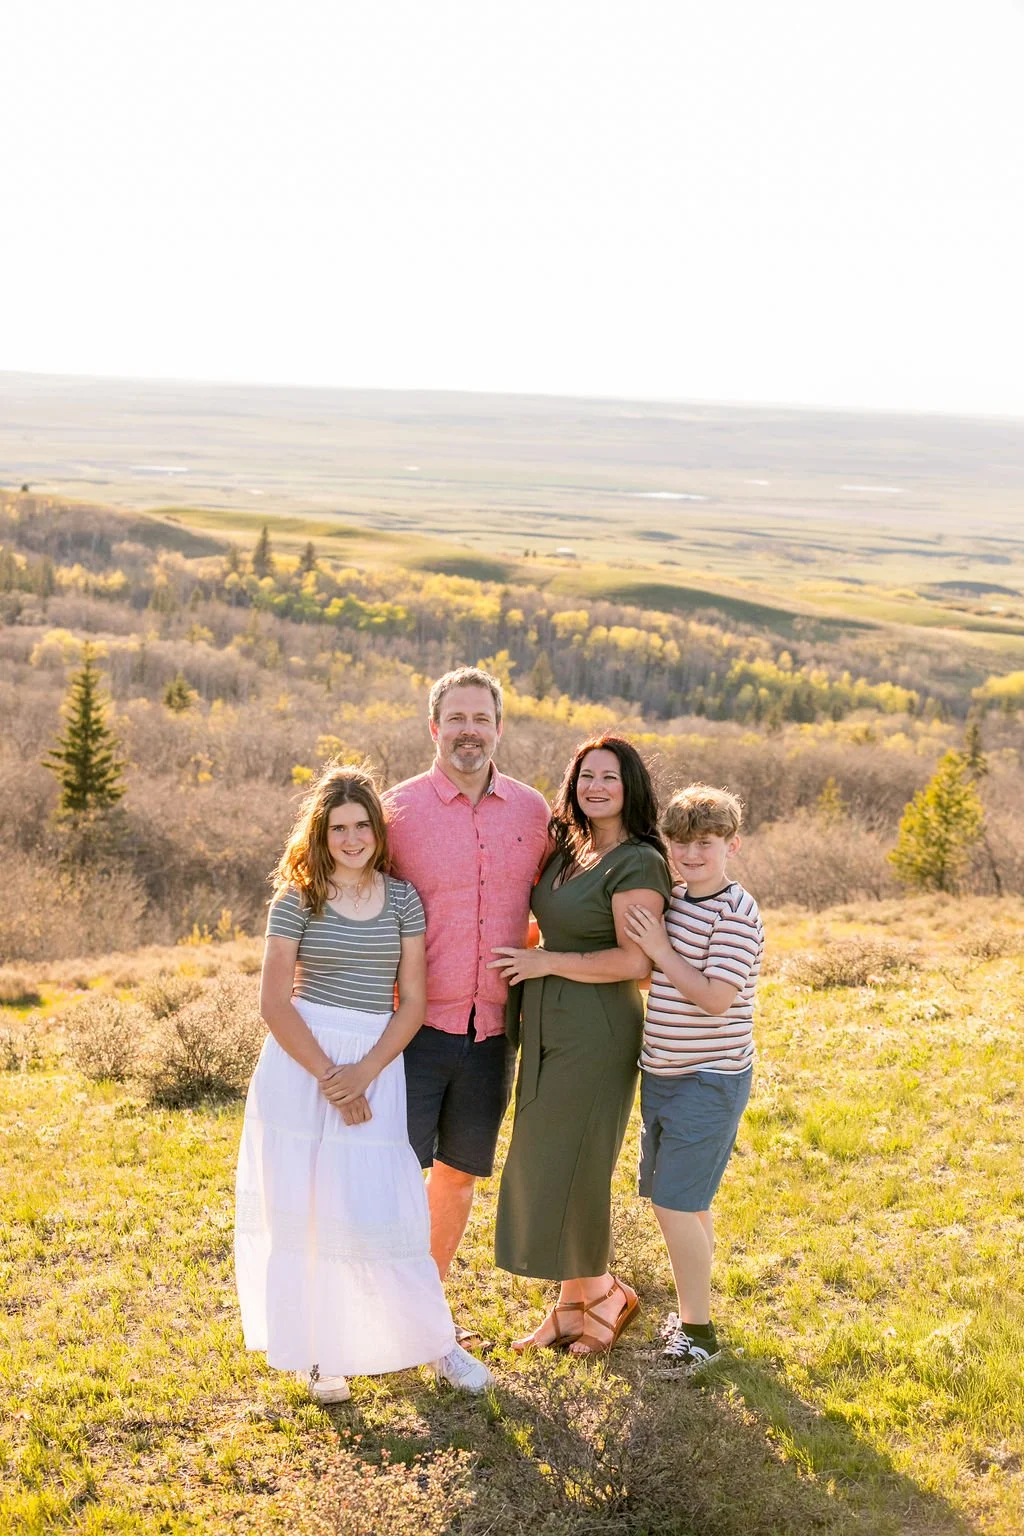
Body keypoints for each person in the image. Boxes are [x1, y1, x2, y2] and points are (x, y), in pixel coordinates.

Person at [234, 764, 493, 1403]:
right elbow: (274, 1002)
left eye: (362, 826)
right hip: (303, 1065)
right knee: (310, 1209)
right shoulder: (296, 899)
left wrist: (365, 1074)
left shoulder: (402, 899)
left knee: (389, 1208)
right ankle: (321, 1352)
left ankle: (433, 1341)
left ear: (379, 831)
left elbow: (411, 1002)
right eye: (339, 828)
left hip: (377, 1059)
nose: (352, 839)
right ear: (320, 834)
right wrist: (330, 1077)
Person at [490, 735, 672, 1356]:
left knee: (578, 1165)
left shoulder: (638, 861)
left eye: (610, 778)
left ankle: (605, 1296)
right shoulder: (571, 848)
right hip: (548, 1021)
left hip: (596, 1027)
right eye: (586, 775)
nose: (596, 787)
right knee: (545, 1158)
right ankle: (571, 1306)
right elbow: (559, 917)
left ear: (631, 789)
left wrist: (546, 963)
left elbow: (634, 960)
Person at [383, 668, 549, 1316]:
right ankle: (369, 1310)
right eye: (457, 718)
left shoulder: (534, 813)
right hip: (409, 1029)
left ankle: (422, 1312)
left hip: (491, 1037)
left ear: (499, 729)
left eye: (481, 719)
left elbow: (557, 900)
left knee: (456, 1175)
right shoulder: (396, 813)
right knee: (387, 1177)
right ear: (434, 727)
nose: (469, 731)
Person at [624, 783, 763, 1377]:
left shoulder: (737, 912)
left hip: (710, 1078)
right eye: (680, 843)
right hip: (662, 1072)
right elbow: (667, 982)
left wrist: (657, 947)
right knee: (687, 1202)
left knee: (675, 1204)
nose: (690, 854)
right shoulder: (677, 901)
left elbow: (713, 998)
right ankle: (692, 1311)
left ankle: (699, 1335)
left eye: (705, 843)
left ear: (731, 844)